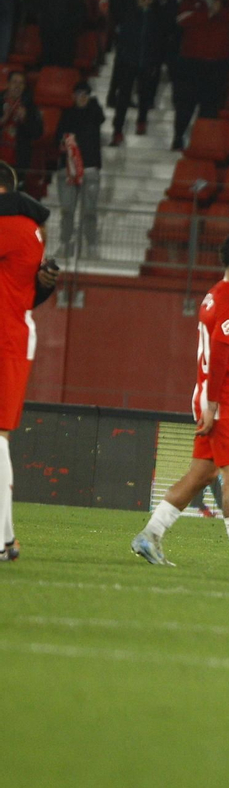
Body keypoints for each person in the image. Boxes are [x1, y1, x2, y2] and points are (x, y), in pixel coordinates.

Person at [132, 231, 229, 573]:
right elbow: (222, 353)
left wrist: (207, 402)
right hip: (227, 400)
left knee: (202, 473)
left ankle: (150, 535)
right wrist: (215, 404)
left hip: (208, 397)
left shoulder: (213, 296)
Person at [0, 163, 56, 561]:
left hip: (5, 339)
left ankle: (3, 538)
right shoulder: (28, 226)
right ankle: (4, 538)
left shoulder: (15, 226)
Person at [172, 0, 229, 151]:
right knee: (185, 104)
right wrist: (209, 14)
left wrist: (221, 12)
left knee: (210, 105)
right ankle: (178, 137)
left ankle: (200, 143)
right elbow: (181, 19)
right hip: (191, 60)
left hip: (217, 62)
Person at [55, 83, 103, 258]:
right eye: (78, 94)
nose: (82, 97)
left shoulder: (95, 113)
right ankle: (65, 243)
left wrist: (94, 102)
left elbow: (101, 117)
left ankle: (91, 245)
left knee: (90, 210)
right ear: (73, 96)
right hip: (67, 169)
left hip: (90, 168)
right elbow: (57, 138)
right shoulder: (66, 115)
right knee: (67, 209)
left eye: (86, 94)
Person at [34, 0, 84, 71]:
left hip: (66, 37)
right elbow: (37, 9)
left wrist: (71, 29)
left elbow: (80, 13)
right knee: (48, 64)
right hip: (48, 35)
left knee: (64, 66)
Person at [0, 72, 42, 174]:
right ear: (8, 84)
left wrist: (25, 119)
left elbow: (38, 133)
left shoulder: (30, 106)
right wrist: (3, 119)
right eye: (14, 82)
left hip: (19, 162)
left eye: (21, 83)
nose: (17, 86)